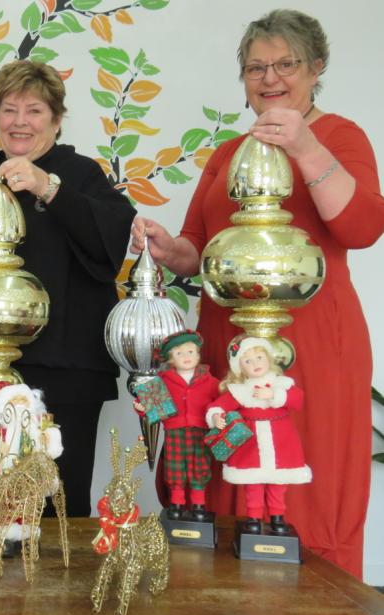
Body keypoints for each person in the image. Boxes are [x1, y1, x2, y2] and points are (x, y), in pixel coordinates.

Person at [130, 9, 384, 577]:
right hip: (225, 342)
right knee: (225, 469)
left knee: (305, 480)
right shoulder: (228, 153)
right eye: (255, 68)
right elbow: (198, 245)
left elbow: (363, 228)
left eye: (286, 64)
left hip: (313, 346)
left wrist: (307, 147)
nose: (270, 79)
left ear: (317, 68)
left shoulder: (340, 136)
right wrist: (168, 249)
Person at [0, 60, 136, 517]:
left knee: (59, 502)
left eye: (34, 111)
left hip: (67, 375)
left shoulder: (80, 176)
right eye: (9, 109)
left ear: (56, 120)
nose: (20, 122)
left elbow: (111, 242)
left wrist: (47, 187)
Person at [206, 337, 311, 535]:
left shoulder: (282, 384)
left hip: (281, 441)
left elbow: (298, 400)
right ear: (239, 369)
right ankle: (253, 517)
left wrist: (274, 395)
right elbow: (217, 405)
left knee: (278, 482)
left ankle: (277, 517)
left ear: (269, 359)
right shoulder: (239, 390)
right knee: (253, 482)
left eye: (259, 357)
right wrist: (216, 416)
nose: (255, 364)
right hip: (250, 445)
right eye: (247, 361)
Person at [134, 330, 219, 521]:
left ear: (198, 354)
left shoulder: (210, 381)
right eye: (179, 353)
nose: (186, 357)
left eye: (190, 352)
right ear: (171, 359)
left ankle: (198, 505)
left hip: (201, 432)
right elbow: (148, 406)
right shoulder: (162, 381)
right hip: (174, 432)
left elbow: (223, 401)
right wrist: (141, 407)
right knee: (174, 469)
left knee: (200, 466)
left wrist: (219, 413)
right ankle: (177, 504)